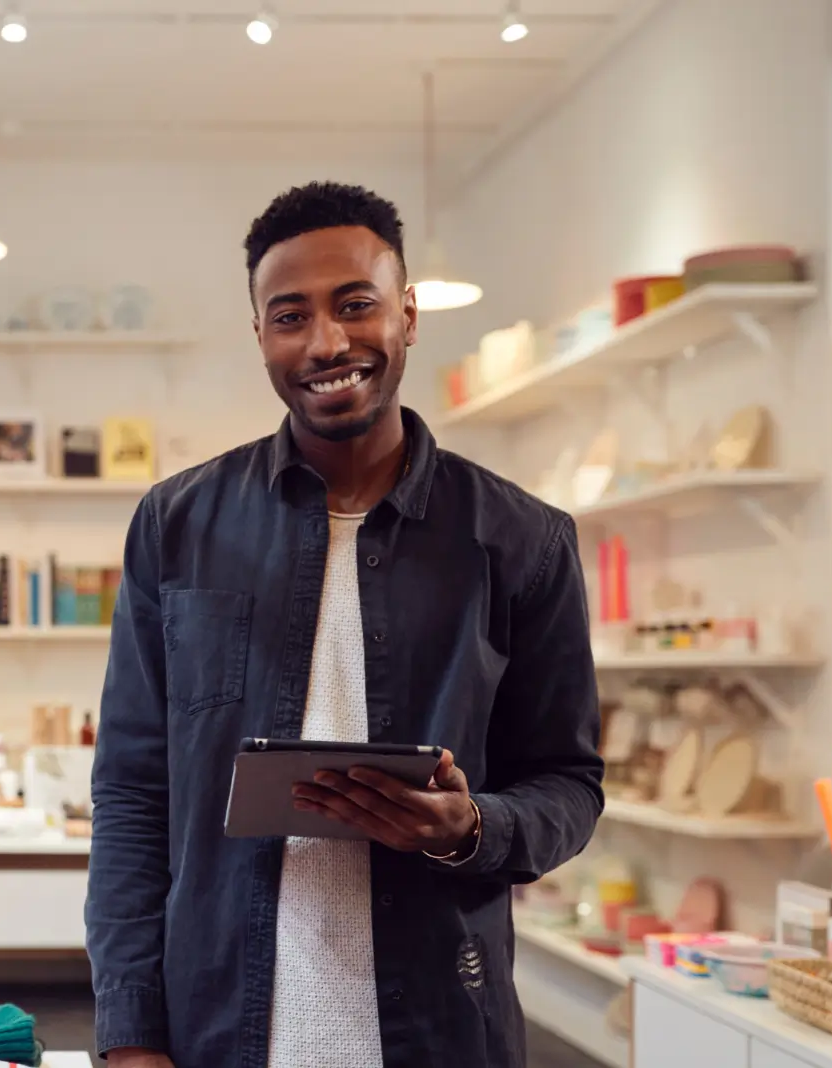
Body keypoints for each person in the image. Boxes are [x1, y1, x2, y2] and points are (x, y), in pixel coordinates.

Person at [85, 181, 604, 1068]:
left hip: (442, 1028)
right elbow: (133, 794)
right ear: (260, 336)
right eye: (291, 316)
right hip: (219, 1028)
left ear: (407, 313)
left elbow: (568, 782)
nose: (327, 342)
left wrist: (470, 827)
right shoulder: (176, 526)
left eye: (356, 305)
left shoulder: (523, 539)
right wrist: (131, 1035)